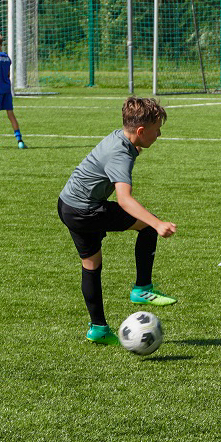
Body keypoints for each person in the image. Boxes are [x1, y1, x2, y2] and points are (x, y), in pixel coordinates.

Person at [57, 96, 178, 346]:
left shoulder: (120, 137)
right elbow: (124, 200)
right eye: (157, 130)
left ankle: (98, 329)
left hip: (68, 204)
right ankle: (142, 288)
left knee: (91, 265)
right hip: (86, 209)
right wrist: (157, 224)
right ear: (141, 131)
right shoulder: (120, 154)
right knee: (147, 225)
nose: (159, 134)